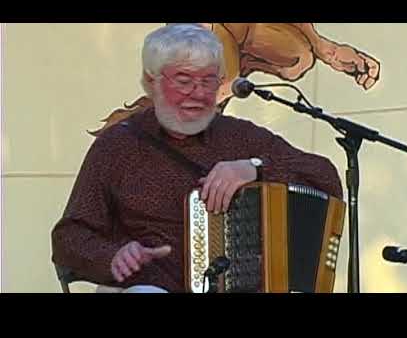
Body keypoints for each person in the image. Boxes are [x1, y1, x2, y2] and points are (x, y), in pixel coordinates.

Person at [51, 23, 343, 293]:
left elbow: (325, 177)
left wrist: (255, 168)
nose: (198, 93)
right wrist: (113, 256)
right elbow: (69, 236)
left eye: (208, 81)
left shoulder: (241, 137)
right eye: (184, 80)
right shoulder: (119, 146)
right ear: (151, 83)